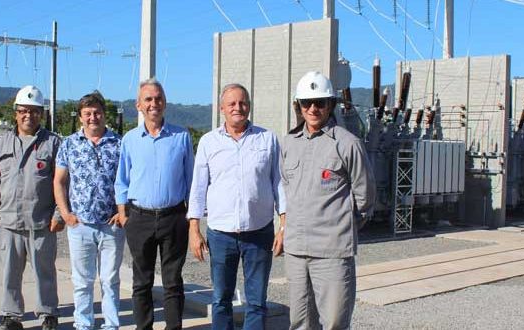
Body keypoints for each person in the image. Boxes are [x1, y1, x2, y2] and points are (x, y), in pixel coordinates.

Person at [280, 71, 376, 330]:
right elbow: (286, 188)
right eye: (306, 103)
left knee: (334, 322)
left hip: (332, 252)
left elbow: (365, 196)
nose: (313, 108)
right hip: (297, 250)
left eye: (320, 102)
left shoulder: (347, 144)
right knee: (300, 322)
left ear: (331, 105)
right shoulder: (288, 143)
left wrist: (343, 227)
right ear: (298, 106)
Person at [187, 83, 286, 330]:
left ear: (249, 106)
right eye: (231, 103)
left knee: (256, 302)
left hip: (259, 233)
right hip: (221, 235)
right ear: (222, 109)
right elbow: (198, 188)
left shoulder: (267, 139)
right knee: (221, 300)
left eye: (242, 103)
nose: (237, 108)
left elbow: (279, 184)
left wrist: (284, 225)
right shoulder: (209, 142)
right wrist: (194, 228)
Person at [114, 79, 194, 330]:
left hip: (174, 217)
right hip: (140, 219)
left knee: (172, 282)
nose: (153, 104)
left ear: (165, 103)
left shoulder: (181, 137)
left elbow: (191, 181)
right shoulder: (129, 139)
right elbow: (121, 181)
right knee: (142, 282)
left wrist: (193, 221)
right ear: (139, 105)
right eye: (148, 99)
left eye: (158, 98)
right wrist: (124, 216)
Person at [0, 85, 63, 330]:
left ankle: (48, 314)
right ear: (16, 113)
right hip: (8, 222)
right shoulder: (2, 144)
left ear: (42, 114)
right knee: (9, 274)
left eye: (35, 111)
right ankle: (11, 315)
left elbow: (62, 183)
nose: (29, 115)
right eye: (24, 111)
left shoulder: (53, 143)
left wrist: (59, 214)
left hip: (41, 222)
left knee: (45, 273)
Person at [53, 91, 124, 330]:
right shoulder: (69, 144)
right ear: (81, 117)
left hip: (111, 225)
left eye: (97, 113)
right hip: (80, 224)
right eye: (87, 114)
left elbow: (129, 181)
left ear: (104, 115)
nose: (93, 117)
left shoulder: (119, 143)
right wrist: (65, 213)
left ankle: (111, 324)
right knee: (82, 281)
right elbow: (59, 181)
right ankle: (83, 323)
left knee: (110, 279)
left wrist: (122, 212)